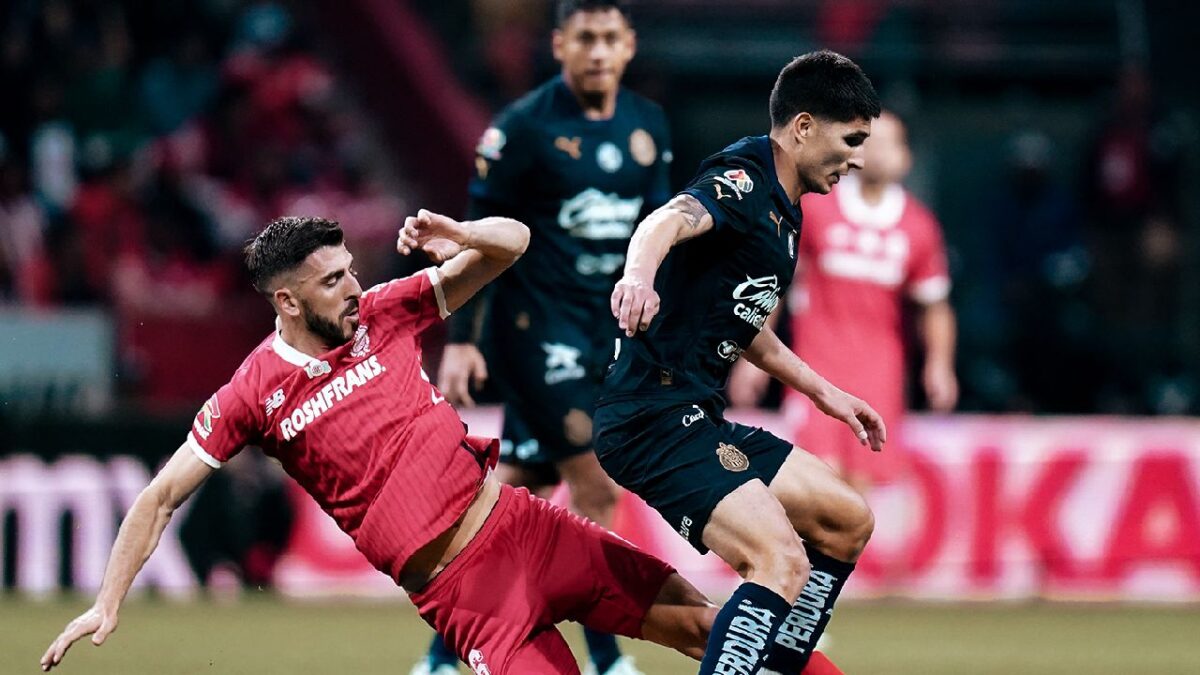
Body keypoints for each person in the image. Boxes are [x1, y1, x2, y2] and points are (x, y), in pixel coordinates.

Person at [41, 213, 727, 675]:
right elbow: (160, 496)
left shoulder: (385, 311)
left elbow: (514, 243)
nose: (354, 287)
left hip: (528, 528)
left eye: (349, 269)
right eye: (332, 280)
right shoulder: (251, 393)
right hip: (467, 596)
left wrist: (460, 233)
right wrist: (108, 600)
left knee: (712, 628)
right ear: (287, 302)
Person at [596, 50, 884, 675]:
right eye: (851, 139)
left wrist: (826, 394)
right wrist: (638, 277)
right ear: (803, 127)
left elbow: (745, 328)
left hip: (695, 415)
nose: (857, 158)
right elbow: (664, 221)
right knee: (780, 560)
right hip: (651, 418)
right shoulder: (745, 179)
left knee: (846, 520)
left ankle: (772, 668)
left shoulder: (787, 211)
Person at [426, 1, 671, 673]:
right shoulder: (521, 129)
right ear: (560, 45)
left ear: (628, 46)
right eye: (585, 38)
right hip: (534, 332)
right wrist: (465, 338)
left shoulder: (649, 125)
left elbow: (660, 231)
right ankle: (606, 656)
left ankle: (441, 654)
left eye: (610, 38)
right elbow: (477, 235)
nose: (598, 51)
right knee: (597, 485)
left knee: (514, 498)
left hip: (609, 334)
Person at [728, 110, 957, 495]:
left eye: (889, 144)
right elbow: (776, 283)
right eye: (869, 142)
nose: (878, 152)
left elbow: (933, 305)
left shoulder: (918, 226)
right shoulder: (817, 208)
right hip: (813, 368)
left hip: (879, 374)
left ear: (905, 157)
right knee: (817, 481)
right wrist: (753, 358)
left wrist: (939, 365)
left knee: (856, 495)